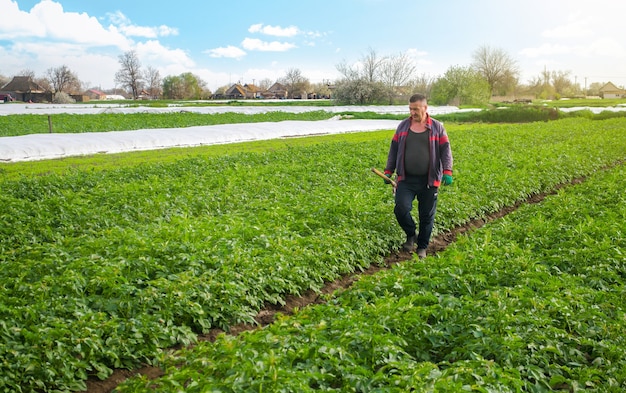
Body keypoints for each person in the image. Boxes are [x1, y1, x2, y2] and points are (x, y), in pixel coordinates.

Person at [384, 93, 453, 259]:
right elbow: (394, 149)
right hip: (406, 179)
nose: (412, 112)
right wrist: (389, 170)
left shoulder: (437, 127)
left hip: (429, 180)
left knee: (426, 215)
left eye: (416, 109)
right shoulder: (403, 126)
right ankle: (411, 234)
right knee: (401, 208)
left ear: (425, 108)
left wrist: (447, 171)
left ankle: (422, 247)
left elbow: (446, 150)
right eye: (410, 109)